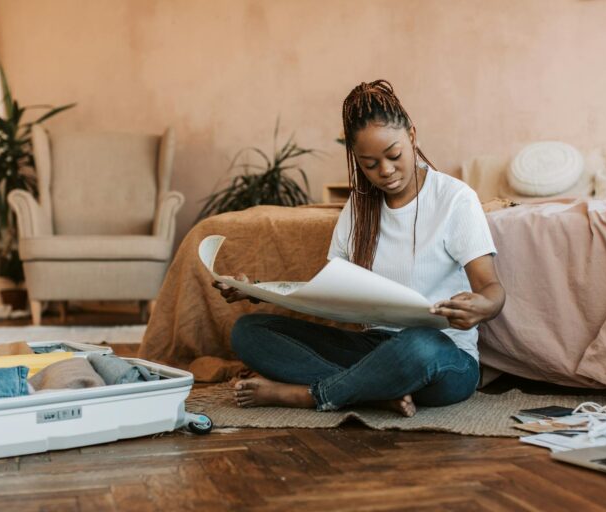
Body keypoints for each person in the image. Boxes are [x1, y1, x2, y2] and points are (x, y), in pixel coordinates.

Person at [213, 80, 505, 417]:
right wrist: (256, 291)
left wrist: (482, 305)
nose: (385, 171)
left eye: (394, 155)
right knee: (249, 332)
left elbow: (492, 289)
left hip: (444, 358)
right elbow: (328, 292)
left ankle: (310, 395)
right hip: (371, 349)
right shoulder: (359, 207)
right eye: (369, 164)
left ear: (412, 135)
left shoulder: (454, 199)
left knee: (421, 344)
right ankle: (371, 393)